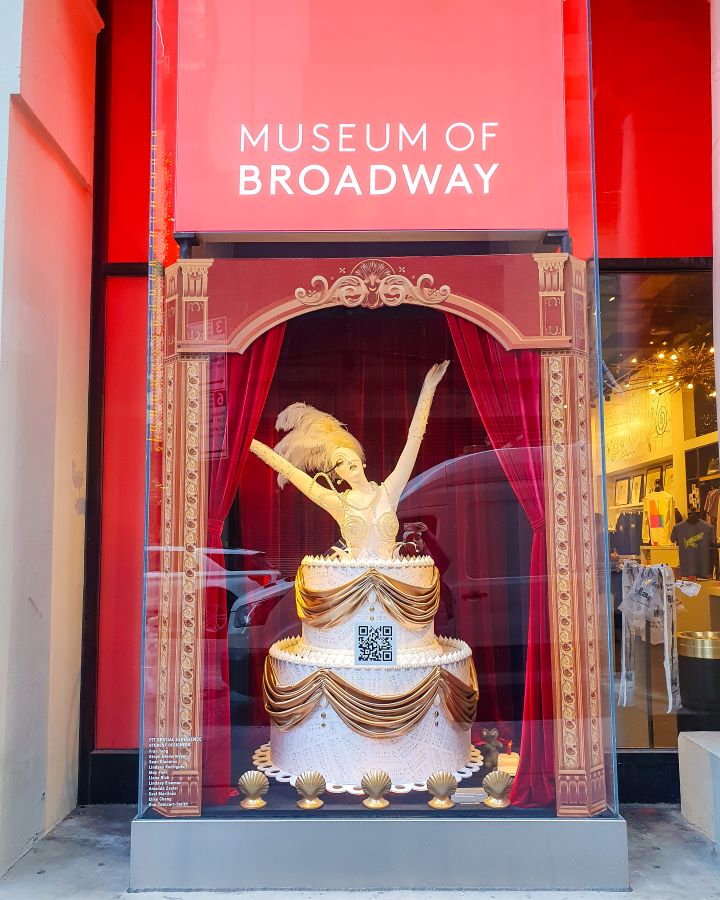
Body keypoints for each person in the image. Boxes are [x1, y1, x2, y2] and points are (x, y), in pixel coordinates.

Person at [250, 361, 449, 560]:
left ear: (362, 461)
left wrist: (428, 390)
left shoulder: (389, 491)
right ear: (338, 476)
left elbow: (413, 442)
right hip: (354, 586)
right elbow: (292, 472)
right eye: (339, 463)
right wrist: (249, 444)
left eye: (349, 456)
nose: (347, 463)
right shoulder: (338, 503)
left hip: (392, 585)